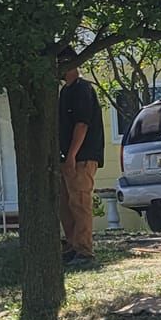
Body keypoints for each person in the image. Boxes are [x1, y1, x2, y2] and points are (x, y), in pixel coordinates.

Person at [56, 45, 103, 264]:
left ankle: (85, 251)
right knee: (66, 204)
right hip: (67, 157)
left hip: (82, 157)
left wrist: (72, 155)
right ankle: (73, 245)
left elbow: (82, 125)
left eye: (61, 64)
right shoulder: (65, 91)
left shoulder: (83, 90)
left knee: (80, 202)